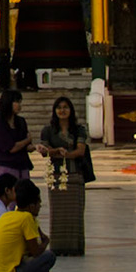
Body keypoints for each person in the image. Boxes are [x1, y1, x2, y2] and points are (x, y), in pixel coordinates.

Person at [38, 94, 93, 255]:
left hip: (75, 175)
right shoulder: (48, 131)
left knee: (75, 214)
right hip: (56, 176)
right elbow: (45, 151)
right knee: (58, 214)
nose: (62, 111)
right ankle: (58, 247)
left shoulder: (79, 130)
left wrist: (64, 155)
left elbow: (80, 151)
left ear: (71, 110)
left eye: (65, 107)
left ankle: (75, 248)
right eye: (59, 108)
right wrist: (56, 151)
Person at [0, 89, 33, 187]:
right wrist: (27, 140)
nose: (19, 105)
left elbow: (27, 146)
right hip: (6, 165)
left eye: (20, 102)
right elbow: (11, 148)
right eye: (16, 102)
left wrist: (35, 147)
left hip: (22, 165)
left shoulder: (21, 121)